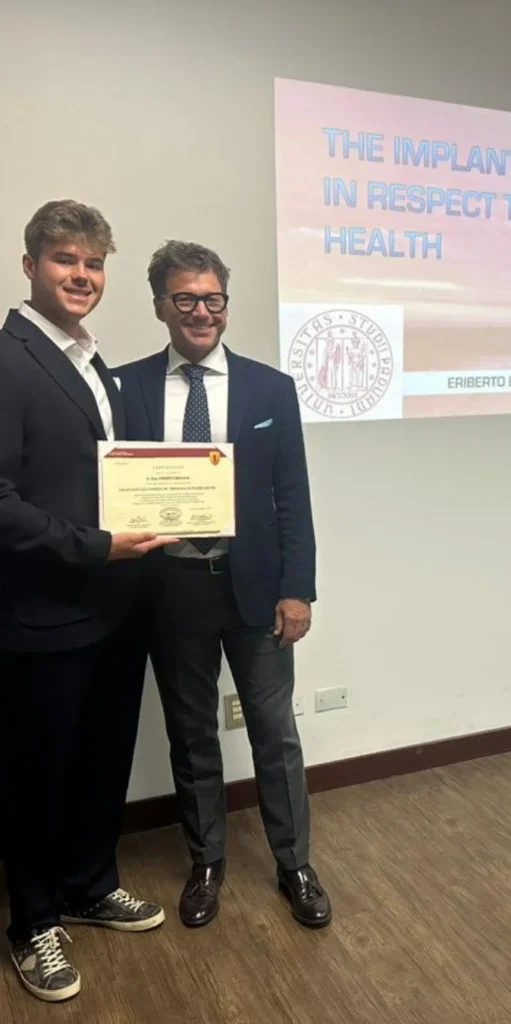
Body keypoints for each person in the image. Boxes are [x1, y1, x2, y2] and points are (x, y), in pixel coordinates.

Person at [115, 240, 331, 931]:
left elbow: (292, 496)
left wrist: (298, 589)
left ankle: (295, 864)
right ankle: (206, 861)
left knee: (275, 732)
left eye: (213, 299)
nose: (201, 312)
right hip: (171, 589)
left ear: (226, 306)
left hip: (257, 590)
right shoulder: (123, 387)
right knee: (191, 734)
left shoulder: (271, 389)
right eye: (185, 298)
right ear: (160, 306)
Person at [0, 201, 173, 1004]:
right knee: (38, 775)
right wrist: (94, 546)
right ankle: (34, 922)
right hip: (43, 612)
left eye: (94, 263)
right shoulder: (8, 359)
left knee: (102, 759)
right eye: (65, 259)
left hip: (114, 608)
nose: (82, 275)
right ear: (30, 265)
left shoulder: (92, 362)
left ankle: (89, 884)